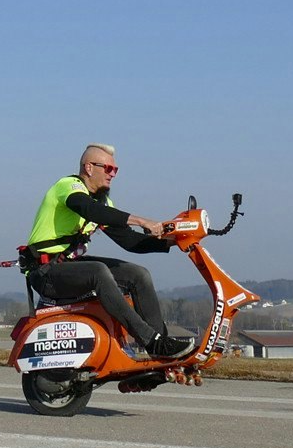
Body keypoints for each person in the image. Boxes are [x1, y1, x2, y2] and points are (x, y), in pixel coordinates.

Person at [22, 144, 192, 360]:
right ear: (89, 167)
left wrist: (173, 241)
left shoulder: (102, 202)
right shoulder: (69, 186)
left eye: (115, 170)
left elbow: (130, 241)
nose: (113, 175)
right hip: (45, 272)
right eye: (108, 168)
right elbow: (88, 210)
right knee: (98, 271)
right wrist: (141, 220)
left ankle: (161, 346)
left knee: (138, 274)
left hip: (69, 268)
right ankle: (150, 340)